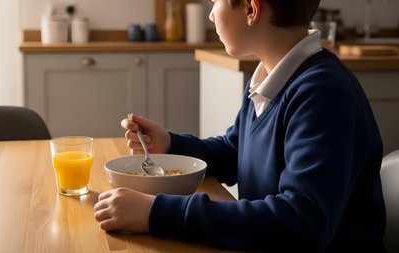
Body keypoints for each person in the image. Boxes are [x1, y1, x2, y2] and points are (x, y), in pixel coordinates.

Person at [94, 0, 386, 252]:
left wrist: (156, 212)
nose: (211, 15)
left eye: (214, 3)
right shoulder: (270, 77)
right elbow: (236, 150)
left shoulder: (323, 93)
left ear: (250, 8)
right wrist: (170, 144)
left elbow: (300, 223)